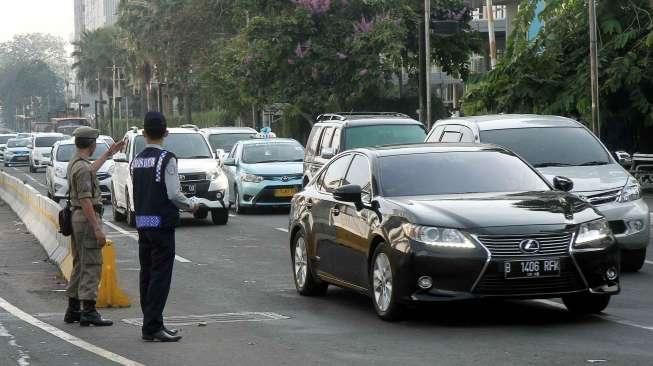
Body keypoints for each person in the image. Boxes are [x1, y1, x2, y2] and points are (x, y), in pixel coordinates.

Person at [133, 111, 203, 342]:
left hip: (143, 221)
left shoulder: (138, 159)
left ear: (144, 133)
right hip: (161, 223)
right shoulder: (167, 159)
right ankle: (153, 326)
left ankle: (151, 322)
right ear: (166, 132)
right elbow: (174, 193)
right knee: (160, 276)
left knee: (147, 273)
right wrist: (192, 205)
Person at [64, 127, 124, 327]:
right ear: (91, 144)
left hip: (77, 218)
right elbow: (86, 199)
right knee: (91, 264)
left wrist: (108, 154)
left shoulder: (77, 163)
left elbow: (91, 171)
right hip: (86, 218)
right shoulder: (81, 168)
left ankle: (73, 309)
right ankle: (88, 311)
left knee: (80, 264)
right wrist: (97, 228)